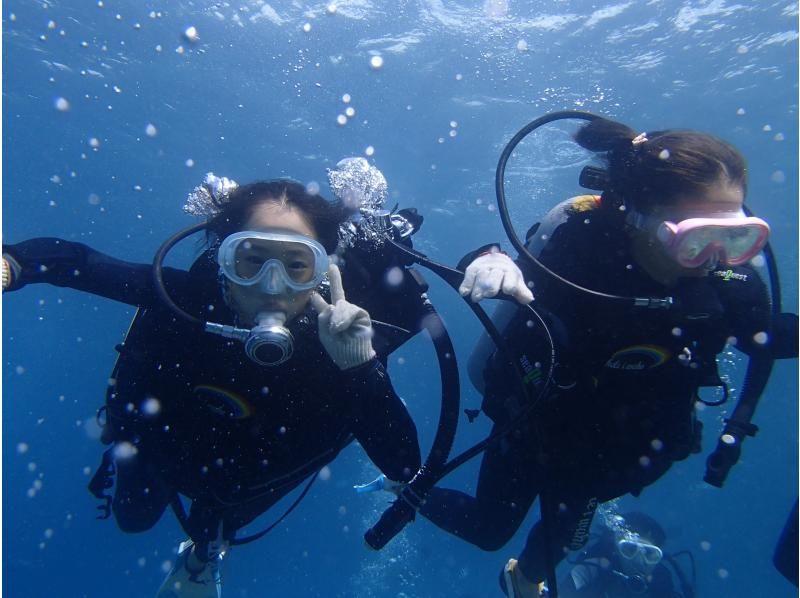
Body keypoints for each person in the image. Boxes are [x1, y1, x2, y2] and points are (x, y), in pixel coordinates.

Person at [417, 116, 798, 597]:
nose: (717, 257)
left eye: (736, 236)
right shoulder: (583, 245)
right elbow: (506, 261)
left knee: (551, 549)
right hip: (539, 430)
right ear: (639, 216)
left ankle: (522, 582)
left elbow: (765, 337)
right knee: (489, 530)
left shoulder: (731, 284)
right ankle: (404, 485)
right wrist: (491, 262)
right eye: (697, 238)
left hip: (616, 452)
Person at [2, 176, 421, 597]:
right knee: (132, 518)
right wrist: (11, 264)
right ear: (224, 259)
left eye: (296, 265)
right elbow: (75, 261)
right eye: (252, 260)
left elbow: (404, 466)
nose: (272, 286)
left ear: (321, 272)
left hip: (260, 467)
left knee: (217, 521)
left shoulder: (339, 339)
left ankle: (203, 553)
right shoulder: (185, 299)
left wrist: (359, 367)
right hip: (169, 440)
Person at [556, 511, 694, 598]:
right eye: (630, 550)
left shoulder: (662, 581)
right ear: (616, 549)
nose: (639, 561)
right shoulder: (592, 568)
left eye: (649, 554)